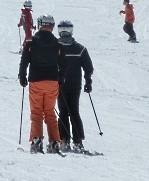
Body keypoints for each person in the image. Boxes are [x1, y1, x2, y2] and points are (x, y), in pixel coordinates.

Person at [18, 15, 64, 154]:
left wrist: (22, 76)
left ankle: (37, 139)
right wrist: (60, 79)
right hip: (52, 81)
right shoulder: (57, 43)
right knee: (50, 111)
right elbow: (64, 64)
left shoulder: (31, 42)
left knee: (37, 111)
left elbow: (24, 61)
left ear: (39, 24)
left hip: (36, 80)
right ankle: (55, 141)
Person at [56, 20, 94, 152]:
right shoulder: (78, 48)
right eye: (63, 30)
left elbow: (88, 68)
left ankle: (68, 140)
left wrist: (88, 81)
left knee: (65, 112)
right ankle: (74, 140)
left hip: (63, 85)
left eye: (66, 30)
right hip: (69, 85)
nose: (64, 33)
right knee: (71, 112)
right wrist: (88, 81)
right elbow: (88, 68)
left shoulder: (57, 47)